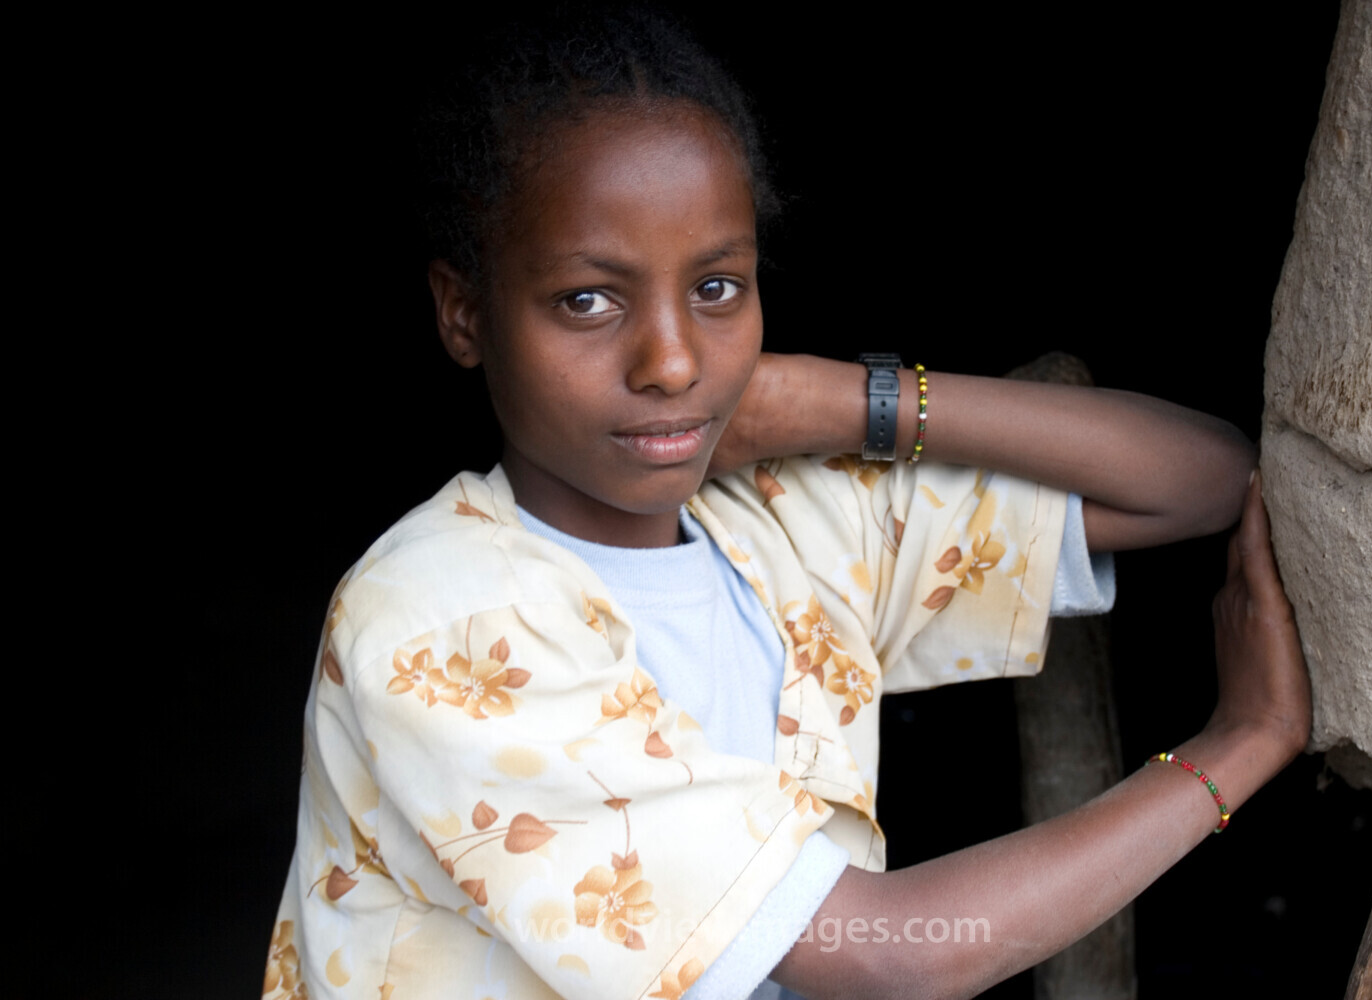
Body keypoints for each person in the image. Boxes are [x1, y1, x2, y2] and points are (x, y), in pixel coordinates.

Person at [263, 10, 1310, 999]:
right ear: (462, 313)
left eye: (716, 287)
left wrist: (845, 398)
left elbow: (1202, 478)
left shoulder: (782, 528)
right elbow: (891, 953)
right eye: (589, 299)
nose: (672, 361)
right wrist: (1238, 747)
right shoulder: (440, 618)